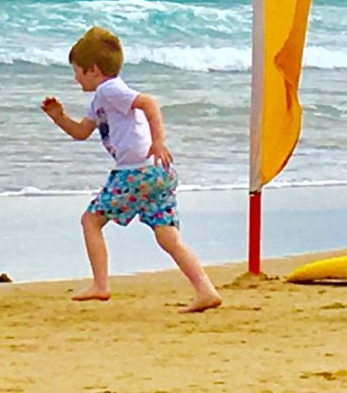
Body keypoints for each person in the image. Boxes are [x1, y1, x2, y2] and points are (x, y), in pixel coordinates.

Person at [41, 25, 221, 313]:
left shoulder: (109, 89)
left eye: (77, 71)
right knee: (168, 236)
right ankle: (206, 290)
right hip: (159, 173)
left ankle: (101, 285)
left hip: (135, 172)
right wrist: (58, 117)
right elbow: (81, 132)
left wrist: (159, 141)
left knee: (91, 221)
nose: (75, 78)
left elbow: (149, 103)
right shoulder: (101, 99)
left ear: (93, 69)